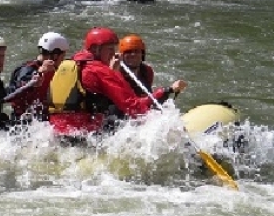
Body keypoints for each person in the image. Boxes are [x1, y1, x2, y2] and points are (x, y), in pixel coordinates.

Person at [47, 27, 186, 137]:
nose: (114, 54)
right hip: (85, 135)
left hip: (57, 131)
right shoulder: (100, 71)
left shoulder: (70, 63)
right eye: (110, 49)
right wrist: (166, 91)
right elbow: (134, 107)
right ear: (96, 49)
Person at [7, 32, 69, 121]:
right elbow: (20, 88)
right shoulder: (27, 69)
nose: (62, 61)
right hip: (23, 122)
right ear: (55, 56)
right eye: (62, 58)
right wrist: (39, 73)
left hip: (41, 119)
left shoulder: (53, 70)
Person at [119, 34, 186, 99]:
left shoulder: (147, 71)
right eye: (128, 52)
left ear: (142, 54)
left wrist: (171, 90)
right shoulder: (117, 74)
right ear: (121, 56)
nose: (133, 54)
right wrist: (169, 90)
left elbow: (150, 101)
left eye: (136, 51)